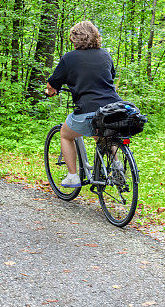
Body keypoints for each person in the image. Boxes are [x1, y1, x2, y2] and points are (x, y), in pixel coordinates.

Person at [45, 21, 122, 187]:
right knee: (103, 135)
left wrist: (50, 92)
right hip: (113, 108)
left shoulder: (69, 58)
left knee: (65, 134)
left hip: (88, 109)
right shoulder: (105, 55)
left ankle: (73, 176)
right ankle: (118, 167)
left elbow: (52, 85)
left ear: (75, 38)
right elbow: (111, 76)